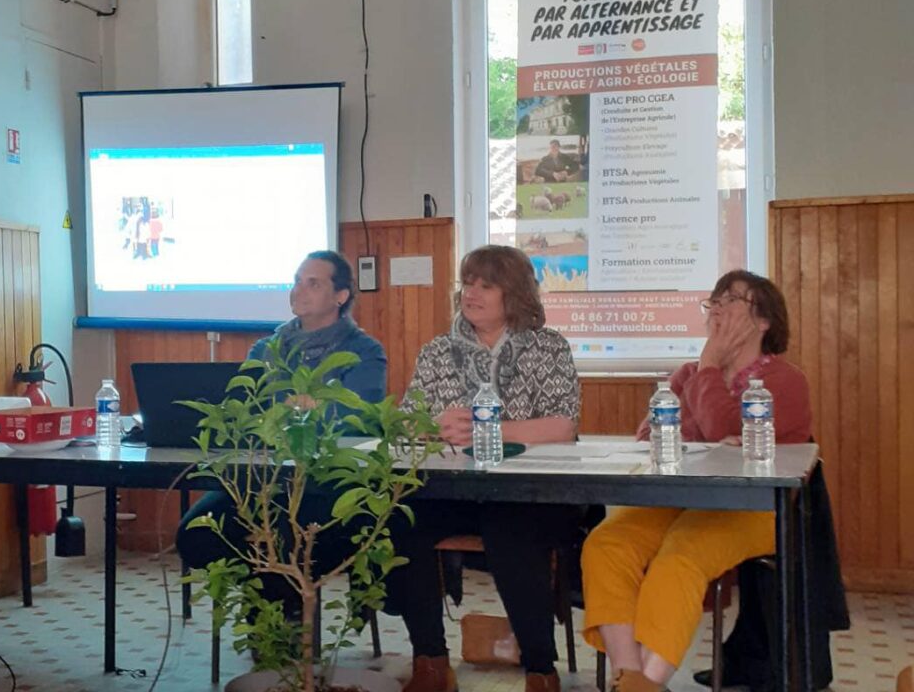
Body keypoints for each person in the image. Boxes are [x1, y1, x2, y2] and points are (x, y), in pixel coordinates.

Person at [580, 271, 812, 692]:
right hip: (677, 500)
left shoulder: (783, 381)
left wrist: (708, 372)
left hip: (752, 507)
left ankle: (647, 682)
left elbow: (724, 427)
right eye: (714, 301)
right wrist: (705, 425)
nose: (718, 307)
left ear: (763, 321)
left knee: (679, 557)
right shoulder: (685, 375)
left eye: (733, 300)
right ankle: (631, 678)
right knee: (605, 544)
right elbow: (650, 437)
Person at [389, 245, 581, 692]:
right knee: (402, 520)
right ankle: (431, 662)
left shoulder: (549, 347)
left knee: (510, 530)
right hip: (454, 489)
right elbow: (406, 424)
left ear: (513, 294)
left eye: (485, 285)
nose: (470, 293)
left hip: (530, 492)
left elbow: (562, 426)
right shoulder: (438, 351)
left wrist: (486, 428)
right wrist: (430, 426)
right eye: (467, 283)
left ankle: (540, 669)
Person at [176, 250, 386, 614]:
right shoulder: (266, 349)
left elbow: (358, 415)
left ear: (340, 296)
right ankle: (265, 600)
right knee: (196, 534)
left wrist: (312, 409)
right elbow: (243, 411)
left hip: (329, 482)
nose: (297, 290)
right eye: (296, 281)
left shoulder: (363, 351)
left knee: (285, 534)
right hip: (261, 478)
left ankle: (281, 626)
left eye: (312, 283)